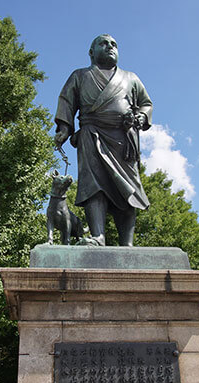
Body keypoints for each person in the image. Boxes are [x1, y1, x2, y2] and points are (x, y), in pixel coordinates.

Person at [54, 34, 152, 246]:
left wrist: (141, 116)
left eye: (114, 44)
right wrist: (64, 127)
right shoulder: (79, 76)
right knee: (94, 185)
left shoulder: (131, 78)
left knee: (128, 188)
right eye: (103, 43)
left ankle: (127, 243)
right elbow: (67, 101)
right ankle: (98, 236)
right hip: (91, 134)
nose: (110, 47)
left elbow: (146, 104)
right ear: (91, 52)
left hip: (124, 138)